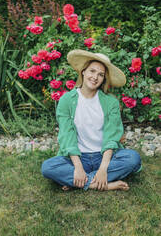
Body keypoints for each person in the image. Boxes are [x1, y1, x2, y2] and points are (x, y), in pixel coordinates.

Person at [41, 49, 142, 191]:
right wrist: (78, 167)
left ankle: (78, 182)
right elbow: (67, 136)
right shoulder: (66, 100)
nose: (95, 77)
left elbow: (112, 138)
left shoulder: (111, 103)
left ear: (104, 79)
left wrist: (103, 169)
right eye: (92, 71)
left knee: (133, 159)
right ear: (83, 71)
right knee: (47, 167)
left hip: (105, 156)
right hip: (78, 157)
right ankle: (101, 185)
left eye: (100, 74)